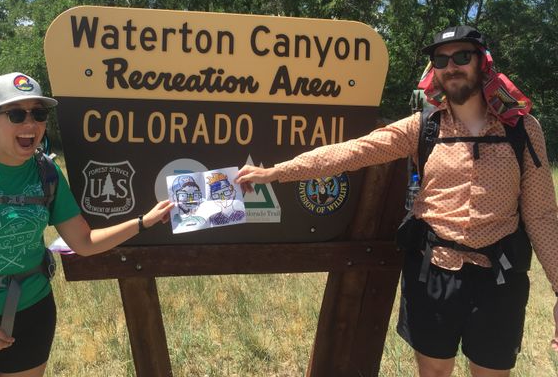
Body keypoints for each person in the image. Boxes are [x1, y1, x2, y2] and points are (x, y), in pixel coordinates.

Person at [236, 26, 558, 377]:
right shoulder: (424, 127)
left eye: (462, 56)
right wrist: (279, 172)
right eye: (441, 59)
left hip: (499, 276)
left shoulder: (523, 130)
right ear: (433, 70)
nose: (451, 66)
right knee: (433, 372)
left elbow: (542, 214)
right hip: (432, 269)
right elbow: (354, 152)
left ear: (483, 63)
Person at [0, 72, 174, 377]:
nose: (31, 124)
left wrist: (144, 221)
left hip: (32, 315)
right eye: (16, 114)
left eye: (38, 114)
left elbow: (84, 242)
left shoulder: (46, 173)